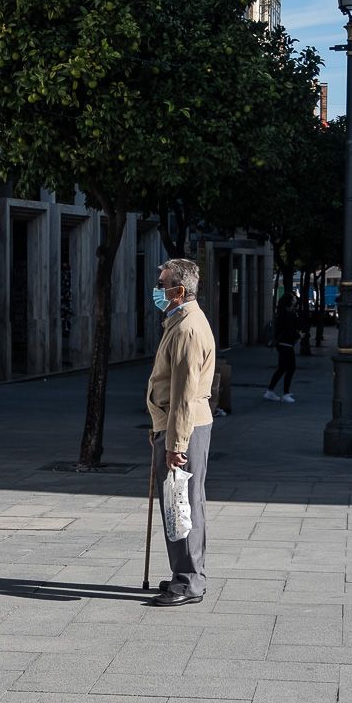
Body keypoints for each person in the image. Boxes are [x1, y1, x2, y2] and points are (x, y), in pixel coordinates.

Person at [146, 258, 215, 607]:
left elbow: (184, 394)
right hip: (176, 424)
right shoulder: (180, 321)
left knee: (182, 502)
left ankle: (189, 580)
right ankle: (185, 574)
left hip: (185, 426)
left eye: (162, 285)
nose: (158, 290)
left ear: (179, 291)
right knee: (181, 500)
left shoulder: (187, 328)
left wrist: (175, 444)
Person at [263, 294, 299, 403]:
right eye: (293, 299)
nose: (295, 300)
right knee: (290, 368)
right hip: (286, 345)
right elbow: (289, 331)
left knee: (282, 368)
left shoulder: (281, 314)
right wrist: (298, 335)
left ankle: (270, 391)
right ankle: (285, 393)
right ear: (290, 302)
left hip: (281, 344)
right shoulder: (289, 315)